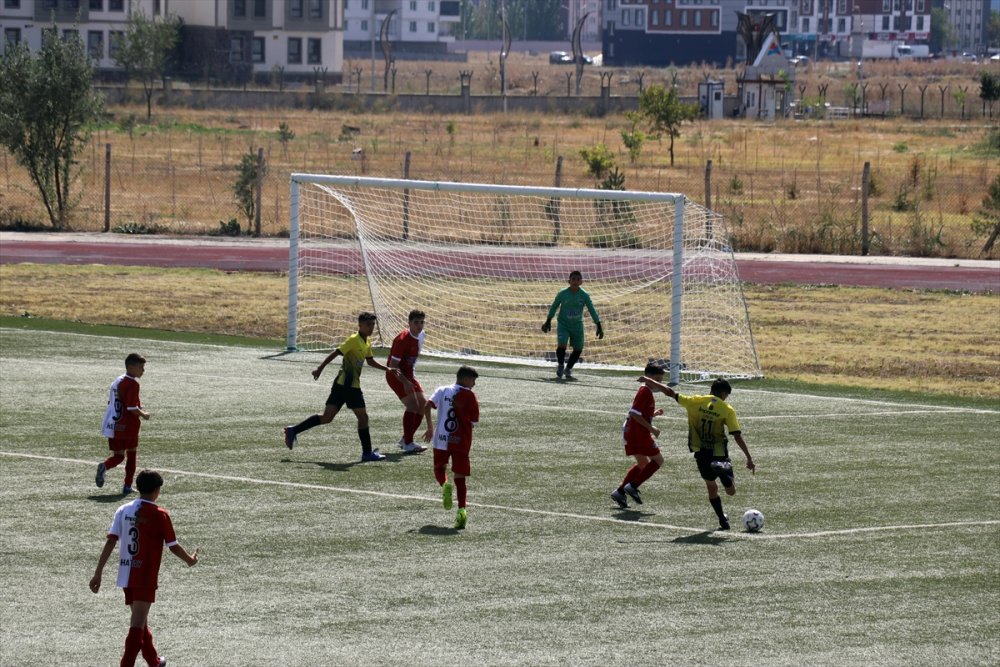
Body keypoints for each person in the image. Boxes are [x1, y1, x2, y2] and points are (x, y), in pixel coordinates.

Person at [90, 469, 199, 667]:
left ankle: (154, 661)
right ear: (157, 490)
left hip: (126, 574)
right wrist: (190, 560)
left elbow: (110, 541)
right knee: (137, 626)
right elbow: (172, 545)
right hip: (145, 577)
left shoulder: (123, 510)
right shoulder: (160, 514)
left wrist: (98, 572)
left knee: (141, 620)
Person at [284, 311, 403, 462]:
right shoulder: (354, 340)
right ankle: (367, 453)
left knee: (327, 417)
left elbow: (370, 361)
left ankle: (293, 430)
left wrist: (388, 369)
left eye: (373, 324)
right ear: (360, 325)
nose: (371, 328)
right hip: (349, 386)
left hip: (340, 384)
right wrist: (320, 369)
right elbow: (336, 353)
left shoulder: (366, 342)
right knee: (363, 417)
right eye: (368, 325)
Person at [639, 376, 755, 531]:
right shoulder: (727, 409)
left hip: (701, 452)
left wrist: (650, 381)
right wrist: (749, 458)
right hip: (719, 454)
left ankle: (722, 519)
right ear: (723, 394)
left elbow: (669, 392)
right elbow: (737, 435)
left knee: (711, 487)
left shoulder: (695, 401)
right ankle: (725, 475)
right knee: (731, 491)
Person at [423, 366, 480, 530]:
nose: (474, 384)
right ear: (465, 379)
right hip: (461, 442)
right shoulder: (470, 396)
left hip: (441, 439)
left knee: (439, 470)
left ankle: (445, 485)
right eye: (473, 381)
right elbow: (474, 422)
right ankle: (462, 510)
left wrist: (430, 427)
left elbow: (428, 405)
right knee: (460, 477)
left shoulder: (442, 389)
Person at [610, 363, 668, 510]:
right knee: (658, 460)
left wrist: (653, 414)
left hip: (632, 432)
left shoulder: (645, 390)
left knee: (642, 464)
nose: (658, 383)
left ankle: (620, 492)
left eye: (660, 380)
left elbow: (639, 413)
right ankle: (633, 486)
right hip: (638, 433)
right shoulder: (645, 391)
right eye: (656, 379)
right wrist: (652, 429)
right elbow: (634, 414)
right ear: (648, 377)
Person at [96, 353, 151, 495]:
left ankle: (105, 465)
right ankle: (127, 486)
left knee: (119, 456)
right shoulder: (133, 384)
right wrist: (143, 414)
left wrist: (137, 405)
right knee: (131, 455)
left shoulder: (117, 380)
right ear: (131, 367)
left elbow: (116, 401)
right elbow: (132, 408)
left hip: (114, 424)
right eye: (141, 367)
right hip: (129, 426)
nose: (143, 370)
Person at [541, 270, 603, 379]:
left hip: (577, 325)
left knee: (578, 349)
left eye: (578, 279)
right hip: (563, 324)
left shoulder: (584, 295)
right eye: (573, 279)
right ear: (569, 281)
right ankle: (560, 365)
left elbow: (592, 310)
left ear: (581, 282)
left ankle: (568, 368)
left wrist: (598, 325)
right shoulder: (562, 293)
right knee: (562, 345)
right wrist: (548, 320)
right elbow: (554, 306)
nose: (575, 281)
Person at [386, 309, 428, 455]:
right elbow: (393, 366)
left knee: (423, 405)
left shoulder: (422, 335)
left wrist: (411, 378)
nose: (419, 325)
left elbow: (411, 361)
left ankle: (405, 439)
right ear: (409, 323)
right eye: (416, 322)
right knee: (412, 405)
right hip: (395, 375)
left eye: (422, 322)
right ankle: (409, 443)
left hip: (409, 374)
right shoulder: (402, 339)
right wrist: (405, 381)